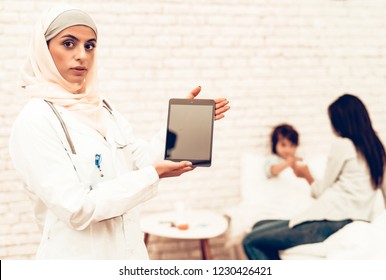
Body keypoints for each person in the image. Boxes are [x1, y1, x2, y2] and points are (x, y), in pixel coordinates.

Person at [8, 5, 230, 259]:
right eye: (68, 43)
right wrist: (152, 175)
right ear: (43, 50)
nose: (82, 55)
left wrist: (179, 124)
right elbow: (77, 208)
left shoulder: (102, 108)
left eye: (90, 46)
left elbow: (140, 160)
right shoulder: (35, 120)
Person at [242, 94, 386, 260]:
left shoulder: (342, 145)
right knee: (258, 225)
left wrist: (307, 175)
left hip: (330, 220)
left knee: (250, 241)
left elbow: (321, 191)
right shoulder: (379, 151)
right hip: (354, 220)